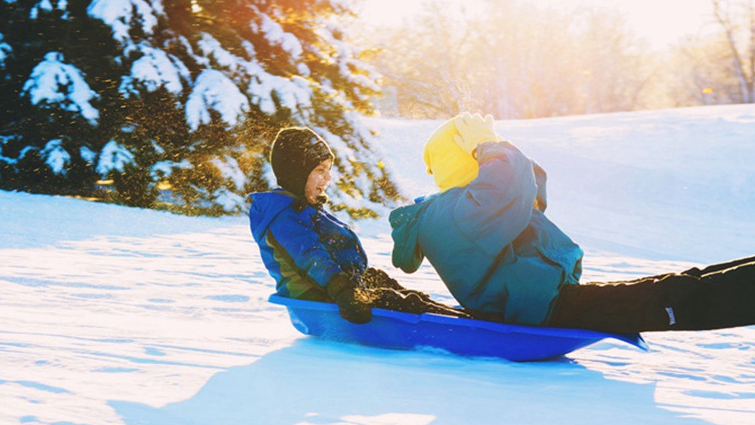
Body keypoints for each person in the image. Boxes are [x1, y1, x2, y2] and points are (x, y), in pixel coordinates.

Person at [389, 112, 755, 334]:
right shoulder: (454, 212)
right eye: (477, 147)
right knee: (676, 296)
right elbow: (510, 190)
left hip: (547, 301)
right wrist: (490, 150)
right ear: (464, 157)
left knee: (682, 283)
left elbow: (531, 191)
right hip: (540, 309)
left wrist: (497, 147)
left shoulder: (469, 204)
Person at [249, 126, 467, 325]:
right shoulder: (283, 216)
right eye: (320, 170)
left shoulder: (302, 208)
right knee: (401, 302)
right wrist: (342, 288)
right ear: (297, 173)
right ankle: (457, 327)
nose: (328, 178)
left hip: (338, 285)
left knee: (397, 291)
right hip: (319, 294)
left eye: (328, 169)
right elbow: (310, 258)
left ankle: (460, 317)